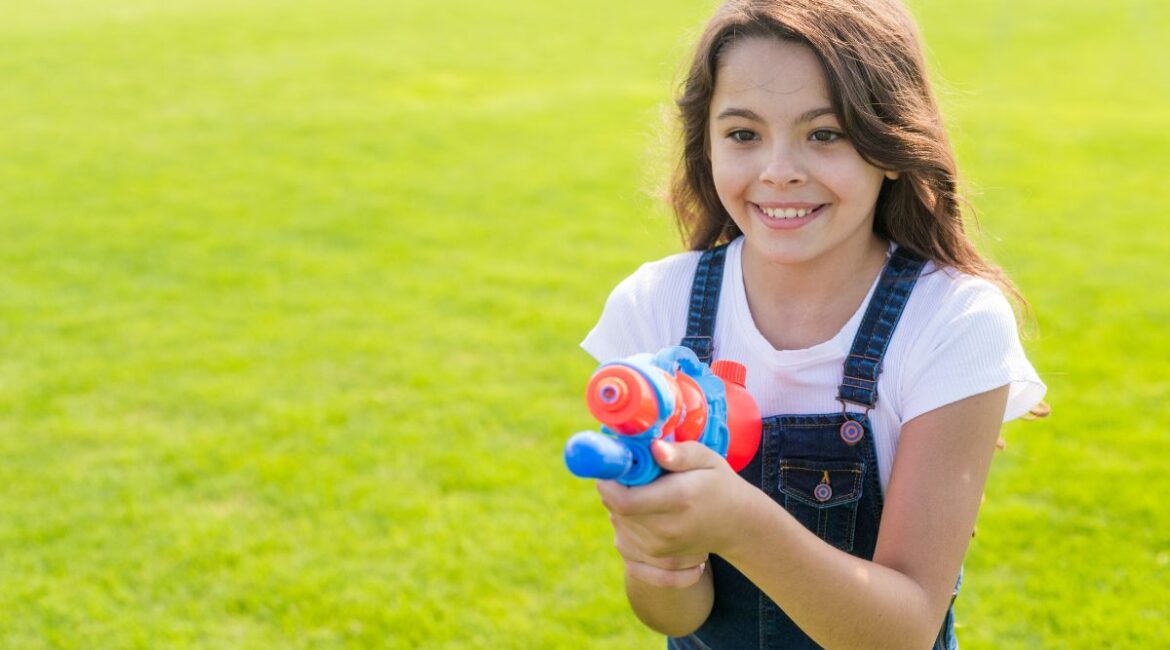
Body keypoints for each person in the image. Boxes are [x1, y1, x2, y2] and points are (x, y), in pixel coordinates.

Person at [578, 0, 1048, 648]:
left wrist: (736, 521)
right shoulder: (655, 307)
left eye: (824, 133)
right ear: (706, 143)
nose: (779, 171)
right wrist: (659, 554)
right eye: (743, 134)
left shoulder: (953, 322)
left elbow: (903, 630)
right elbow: (674, 616)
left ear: (890, 144)